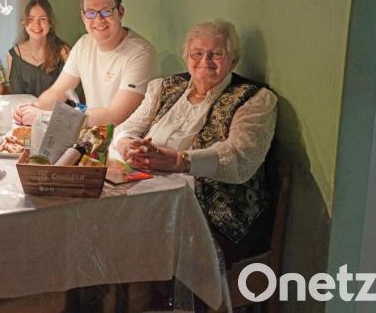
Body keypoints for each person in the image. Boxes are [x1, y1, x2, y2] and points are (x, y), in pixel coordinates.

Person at [114, 19, 277, 268]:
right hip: (151, 194)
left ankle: (157, 302)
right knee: (105, 228)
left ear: (233, 60)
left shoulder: (255, 99)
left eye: (217, 54)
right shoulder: (164, 87)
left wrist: (180, 161)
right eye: (197, 53)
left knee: (139, 244)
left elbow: (240, 158)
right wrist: (128, 145)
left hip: (214, 210)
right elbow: (127, 127)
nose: (205, 60)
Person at [13, 0, 157, 127]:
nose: (99, 19)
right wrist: (34, 107)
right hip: (93, 137)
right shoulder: (84, 44)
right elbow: (58, 92)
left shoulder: (140, 53)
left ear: (120, 12)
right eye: (91, 13)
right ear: (83, 16)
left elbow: (115, 116)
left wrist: (46, 116)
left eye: (106, 11)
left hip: (127, 143)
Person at [7, 0, 80, 99]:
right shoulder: (13, 56)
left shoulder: (63, 51)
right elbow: (16, 98)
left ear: (50, 23)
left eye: (43, 19)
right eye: (31, 19)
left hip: (59, 114)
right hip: (26, 113)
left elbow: (73, 94)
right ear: (24, 23)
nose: (36, 24)